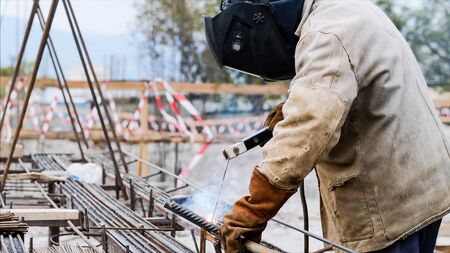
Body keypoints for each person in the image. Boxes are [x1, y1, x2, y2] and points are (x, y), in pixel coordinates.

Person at [206, 0, 450, 252]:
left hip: (390, 208)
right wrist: (294, 105)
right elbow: (347, 82)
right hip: (420, 193)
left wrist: (252, 209)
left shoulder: (326, 33)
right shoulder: (341, 8)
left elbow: (306, 131)